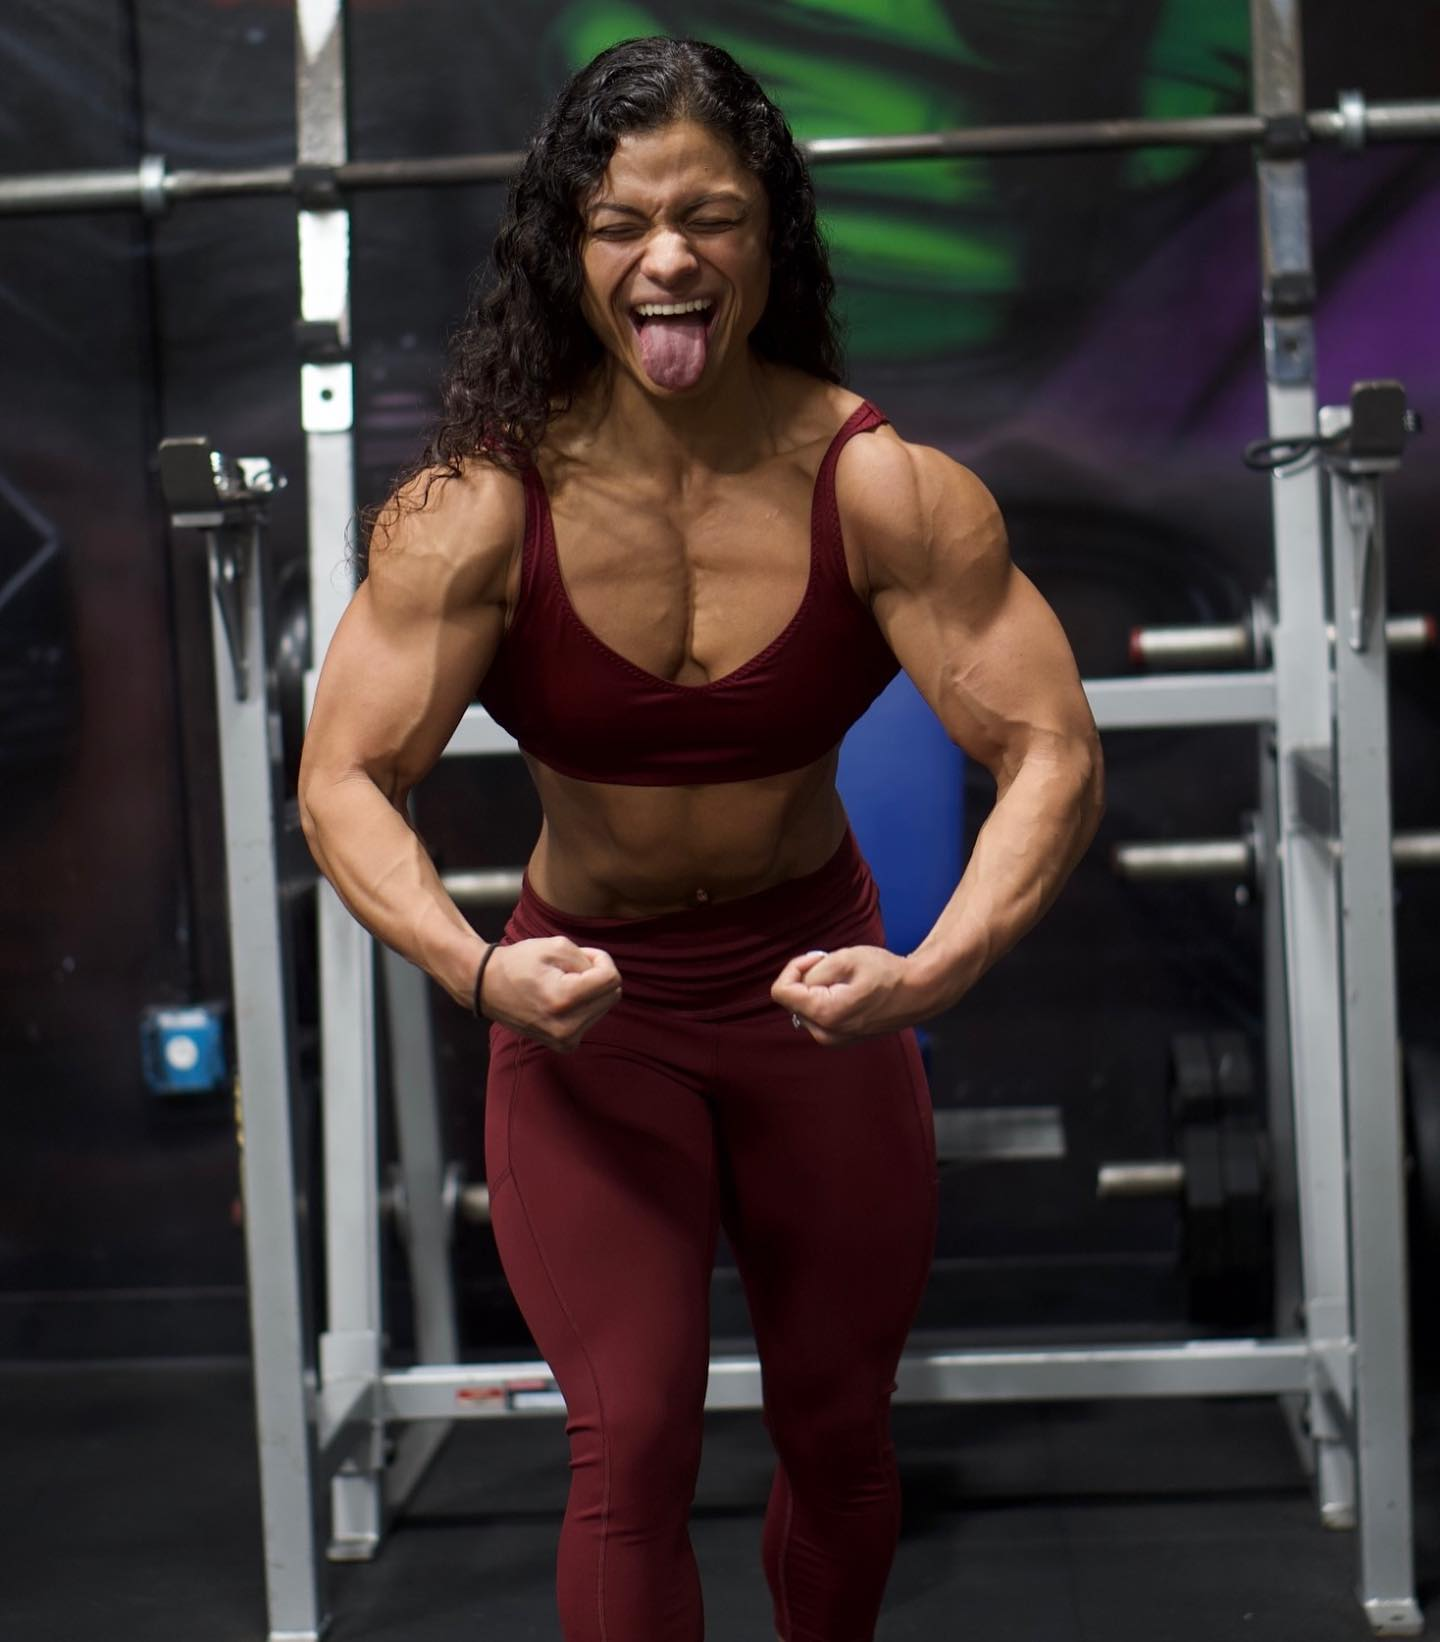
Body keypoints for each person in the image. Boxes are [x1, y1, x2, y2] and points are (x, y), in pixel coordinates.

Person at [298, 35, 1103, 1642]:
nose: (668, 256)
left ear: (767, 235)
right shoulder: (480, 510)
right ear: (570, 250)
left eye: (709, 217)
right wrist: (478, 971)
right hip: (589, 1016)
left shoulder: (882, 490)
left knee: (840, 1433)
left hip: (818, 998)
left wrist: (929, 971)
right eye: (622, 223)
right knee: (635, 1439)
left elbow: (1052, 750)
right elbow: (341, 777)